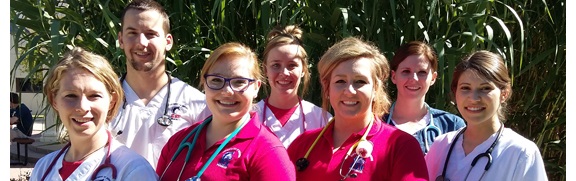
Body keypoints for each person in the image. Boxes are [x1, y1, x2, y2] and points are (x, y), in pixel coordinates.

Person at [287, 37, 428, 180]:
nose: (349, 91)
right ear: (327, 88)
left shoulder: (401, 147)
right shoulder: (302, 145)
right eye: (340, 81)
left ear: (376, 89)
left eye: (360, 82)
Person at [156, 42, 296, 181]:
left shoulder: (268, 153)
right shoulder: (179, 141)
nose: (227, 91)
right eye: (216, 80)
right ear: (204, 83)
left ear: (256, 87)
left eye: (239, 82)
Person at [30, 47, 158, 180]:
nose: (82, 107)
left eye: (94, 95)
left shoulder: (133, 170)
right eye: (71, 96)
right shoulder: (43, 168)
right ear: (54, 100)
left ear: (112, 101)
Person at [110, 0, 210, 169]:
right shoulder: (103, 101)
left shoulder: (197, 103)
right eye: (132, 33)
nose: (141, 42)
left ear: (168, 41)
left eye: (150, 34)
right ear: (121, 40)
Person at [425, 51, 548, 180]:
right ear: (455, 93)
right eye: (465, 88)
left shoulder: (520, 153)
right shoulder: (441, 146)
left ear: (504, 94)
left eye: (485, 89)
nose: (474, 98)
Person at [256, 25, 331, 148]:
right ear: (265, 70)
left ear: (303, 70)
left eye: (292, 65)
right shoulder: (249, 116)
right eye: (276, 65)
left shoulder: (321, 119)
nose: (284, 73)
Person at [384, 41, 466, 154]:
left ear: (433, 78)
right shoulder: (375, 122)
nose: (414, 79)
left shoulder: (451, 125)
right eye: (406, 71)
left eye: (422, 72)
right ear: (394, 76)